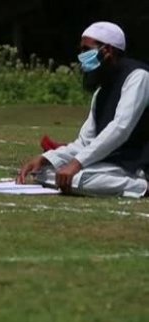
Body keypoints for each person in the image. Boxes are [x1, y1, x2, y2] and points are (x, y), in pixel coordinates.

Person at [18, 22, 149, 198]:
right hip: (110, 163)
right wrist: (46, 158)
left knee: (74, 178)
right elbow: (85, 142)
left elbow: (120, 128)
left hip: (135, 165)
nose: (81, 56)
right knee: (45, 173)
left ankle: (142, 186)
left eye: (86, 49)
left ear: (107, 50)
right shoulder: (101, 92)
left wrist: (77, 163)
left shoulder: (139, 77)